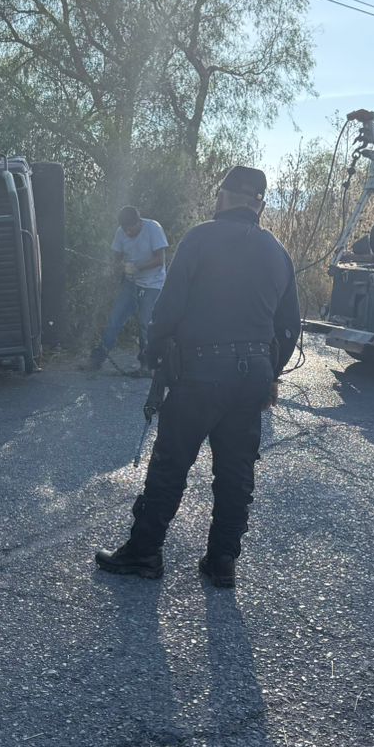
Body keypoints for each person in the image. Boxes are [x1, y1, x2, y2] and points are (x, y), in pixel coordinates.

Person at [95, 165, 300, 588]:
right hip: (252, 375)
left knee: (171, 463)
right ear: (260, 205)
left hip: (200, 372)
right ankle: (222, 561)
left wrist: (154, 355)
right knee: (237, 471)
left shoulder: (199, 239)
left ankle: (144, 552)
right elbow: (289, 327)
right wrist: (270, 375)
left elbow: (167, 309)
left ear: (222, 197)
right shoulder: (277, 251)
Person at [87, 206, 168, 371]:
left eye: (131, 229)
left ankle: (147, 363)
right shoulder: (121, 232)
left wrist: (137, 267)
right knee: (115, 319)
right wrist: (115, 267)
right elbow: (116, 257)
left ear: (139, 222)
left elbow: (160, 260)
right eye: (125, 229)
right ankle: (97, 359)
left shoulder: (153, 228)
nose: (128, 233)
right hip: (131, 283)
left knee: (145, 324)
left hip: (152, 284)